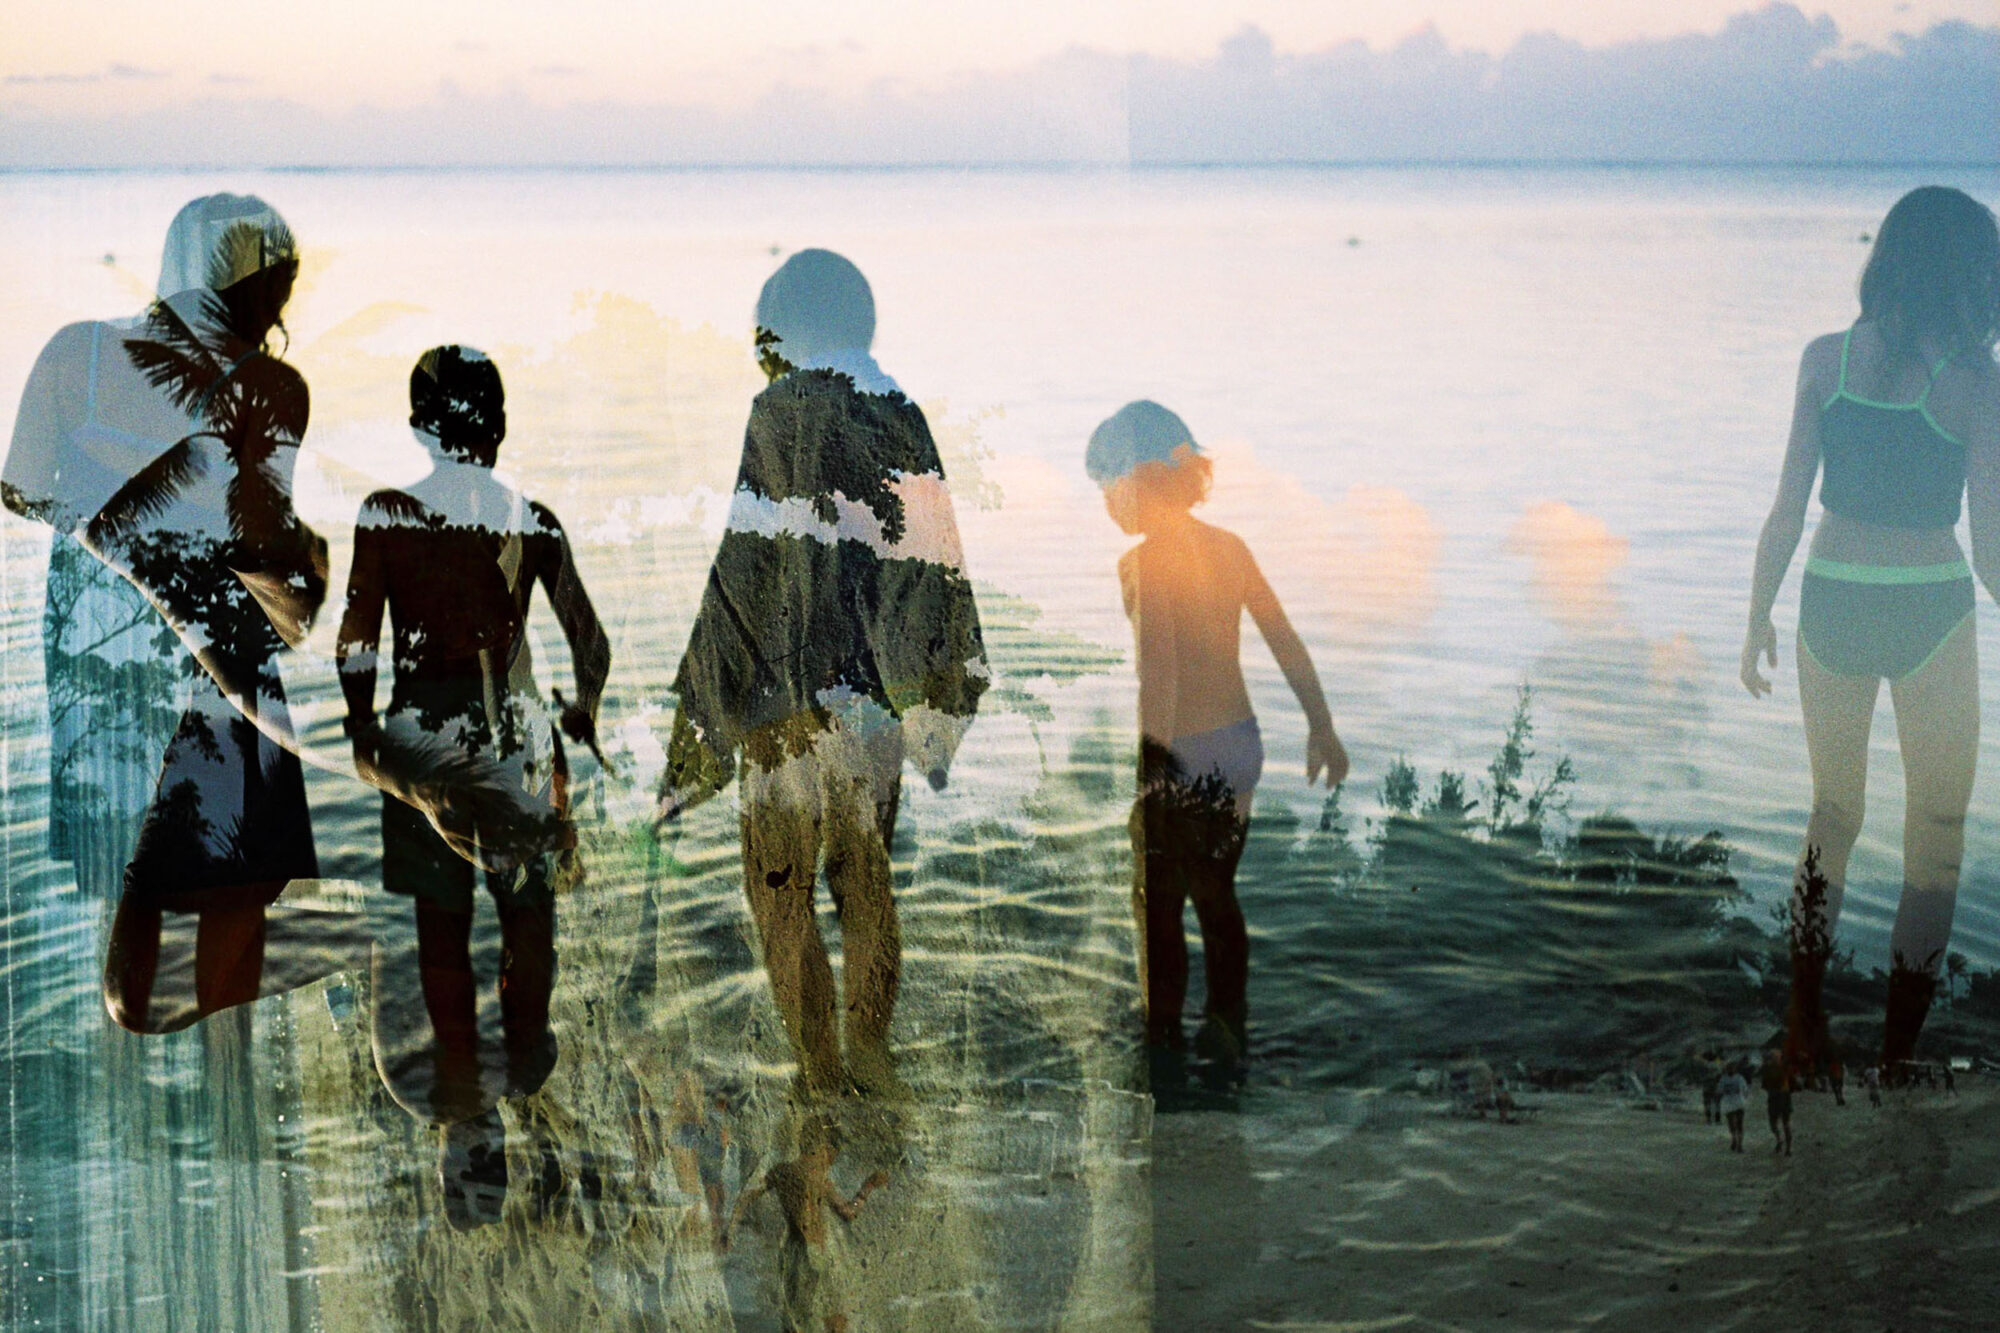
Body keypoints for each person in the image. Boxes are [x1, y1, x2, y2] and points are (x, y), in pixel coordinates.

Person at [658, 250, 988, 1103]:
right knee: (865, 879)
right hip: (872, 701)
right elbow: (933, 560)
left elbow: (747, 559)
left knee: (780, 892)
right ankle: (871, 1053)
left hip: (783, 698)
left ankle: (820, 1075)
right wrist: (933, 693)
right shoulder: (899, 411)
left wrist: (704, 707)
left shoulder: (779, 408)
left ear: (785, 334)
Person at [336, 345, 610, 1227]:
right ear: (498, 428)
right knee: (527, 913)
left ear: (418, 427)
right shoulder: (535, 520)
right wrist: (584, 712)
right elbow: (590, 644)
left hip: (428, 735)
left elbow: (357, 639)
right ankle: (525, 1041)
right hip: (520, 738)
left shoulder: (386, 517)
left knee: (440, 922)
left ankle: (469, 1110)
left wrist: (362, 724)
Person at [1742, 187, 2000, 1082]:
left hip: (1832, 602)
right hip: (1929, 610)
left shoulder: (1824, 359)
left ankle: (1803, 1023)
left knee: (1831, 818)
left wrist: (1755, 620)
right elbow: (1994, 544)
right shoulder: (1976, 382)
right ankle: (1895, 1055)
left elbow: (1785, 510)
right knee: (1936, 833)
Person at [1085, 401, 1349, 1093]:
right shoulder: (1230, 547)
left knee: (1159, 905)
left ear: (1137, 481)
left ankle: (1164, 1047)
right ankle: (1229, 1038)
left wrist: (1150, 775)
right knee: (1218, 897)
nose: (1107, 504)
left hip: (1180, 751)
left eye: (1107, 485)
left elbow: (1160, 672)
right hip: (1238, 744)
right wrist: (1321, 725)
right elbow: (1283, 636)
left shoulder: (1140, 563)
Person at [1761, 1048, 1793, 1155]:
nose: (1773, 1059)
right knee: (1780, 1124)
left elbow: (1764, 1085)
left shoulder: (1780, 1068)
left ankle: (1784, 1145)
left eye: (1774, 1057)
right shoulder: (1771, 1069)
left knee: (1782, 1124)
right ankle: (1783, 1144)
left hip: (1779, 1097)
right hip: (1780, 1097)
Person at [1716, 1064, 1749, 1151]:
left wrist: (1744, 1099)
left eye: (1732, 1068)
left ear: (1735, 1069)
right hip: (1729, 1103)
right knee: (1731, 1124)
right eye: (1729, 1068)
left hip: (1739, 1102)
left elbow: (1745, 1090)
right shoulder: (1723, 1079)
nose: (1731, 1070)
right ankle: (1734, 1139)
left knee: (1739, 1124)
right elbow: (1719, 1090)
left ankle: (1740, 1144)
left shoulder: (1739, 1078)